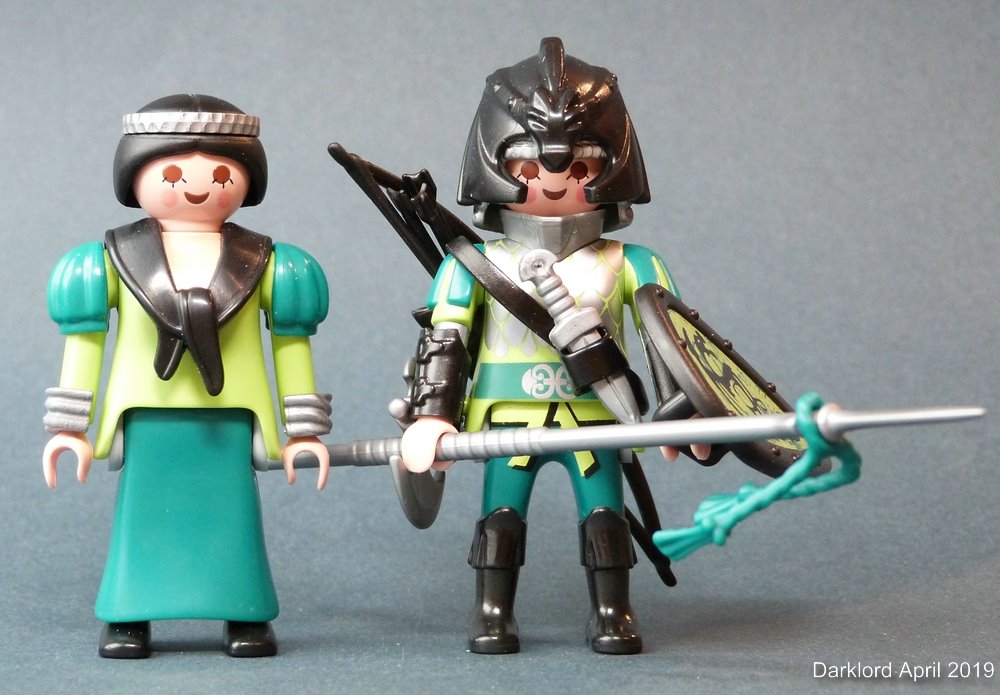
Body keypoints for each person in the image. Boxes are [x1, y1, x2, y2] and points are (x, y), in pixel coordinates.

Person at [397, 38, 703, 655]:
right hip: (508, 417)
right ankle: (492, 610)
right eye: (530, 169)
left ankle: (613, 610)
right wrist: (431, 416)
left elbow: (672, 341)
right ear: (497, 171)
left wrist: (688, 413)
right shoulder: (471, 265)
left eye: (581, 170)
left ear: (611, 173)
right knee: (501, 517)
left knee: (605, 517)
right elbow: (446, 337)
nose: (555, 182)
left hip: (598, 414)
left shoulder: (633, 263)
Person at [42, 94, 331, 658]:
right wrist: (69, 425)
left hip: (231, 418)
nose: (198, 188)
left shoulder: (272, 263)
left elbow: (292, 346)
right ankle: (130, 614)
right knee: (142, 517)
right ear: (135, 175)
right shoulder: (107, 260)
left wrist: (303, 429)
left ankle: (243, 611)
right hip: (145, 416)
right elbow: (84, 343)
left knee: (232, 518)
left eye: (222, 174)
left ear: (248, 179)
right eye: (172, 174)